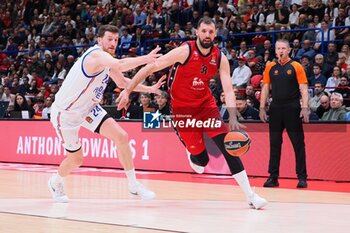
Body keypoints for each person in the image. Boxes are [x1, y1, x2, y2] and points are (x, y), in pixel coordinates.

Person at [117, 17, 267, 210]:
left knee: (228, 146)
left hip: (206, 106)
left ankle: (250, 195)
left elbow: (229, 90)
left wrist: (232, 115)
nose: (207, 35)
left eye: (211, 32)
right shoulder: (184, 51)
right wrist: (128, 90)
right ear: (197, 32)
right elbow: (150, 68)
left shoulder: (219, 58)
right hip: (182, 110)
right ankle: (192, 152)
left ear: (215, 34)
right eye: (204, 31)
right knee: (201, 161)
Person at [48, 25, 165, 203]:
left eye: (116, 40)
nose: (113, 43)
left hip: (87, 108)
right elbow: (121, 64)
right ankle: (56, 182)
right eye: (109, 39)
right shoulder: (95, 55)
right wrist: (146, 59)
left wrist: (149, 88)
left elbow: (123, 81)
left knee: (122, 136)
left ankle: (134, 186)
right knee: (76, 159)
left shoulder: (107, 62)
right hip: (66, 114)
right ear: (99, 40)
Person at [259, 39, 309, 189]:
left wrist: (305, 107)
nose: (281, 51)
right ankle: (273, 177)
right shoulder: (270, 67)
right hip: (275, 108)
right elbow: (266, 88)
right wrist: (262, 107)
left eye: (283, 48)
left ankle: (302, 177)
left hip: (292, 108)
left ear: (288, 50)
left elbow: (304, 88)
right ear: (275, 51)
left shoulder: (296, 66)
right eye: (278, 48)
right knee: (274, 144)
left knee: (298, 144)